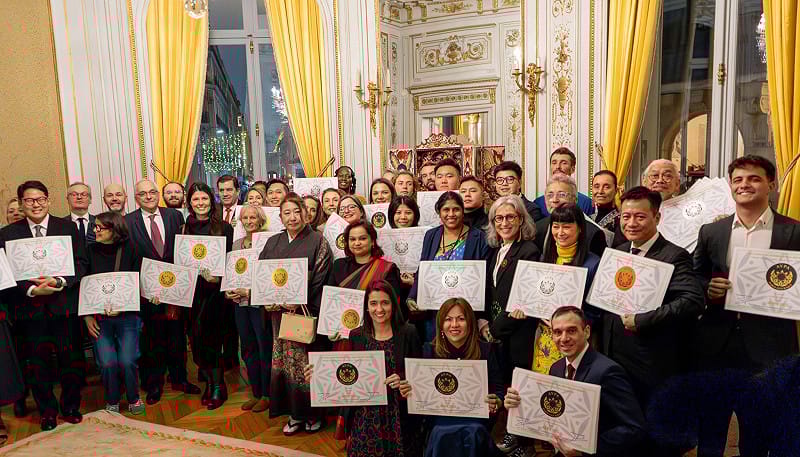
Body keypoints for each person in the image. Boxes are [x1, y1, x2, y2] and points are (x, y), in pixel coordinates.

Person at [692, 155, 800, 457]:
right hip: (716, 343)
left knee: (758, 430)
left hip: (770, 345)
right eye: (737, 180)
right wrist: (705, 289)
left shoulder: (794, 231)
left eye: (753, 178)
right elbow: (694, 277)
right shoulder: (711, 232)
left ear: (771, 184)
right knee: (711, 428)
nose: (744, 185)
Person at [605, 187, 704, 455]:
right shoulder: (619, 250)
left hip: (652, 360)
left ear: (657, 218)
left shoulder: (674, 255)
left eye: (640, 217)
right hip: (616, 357)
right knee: (625, 426)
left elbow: (692, 300)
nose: (631, 223)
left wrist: (643, 320)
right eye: (625, 217)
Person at [0, 180, 88, 431]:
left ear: (48, 200)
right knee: (37, 364)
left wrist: (60, 280)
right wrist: (30, 289)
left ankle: (71, 406)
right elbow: (4, 273)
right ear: (21, 203)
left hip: (63, 307)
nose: (35, 205)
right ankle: (47, 411)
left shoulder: (68, 228)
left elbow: (81, 263)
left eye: (40, 199)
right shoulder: (8, 234)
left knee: (70, 360)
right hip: (30, 311)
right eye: (29, 200)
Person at [505, 306, 646, 457]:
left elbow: (635, 427)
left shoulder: (608, 371)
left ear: (586, 332)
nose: (564, 338)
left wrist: (585, 449)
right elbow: (552, 412)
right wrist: (517, 406)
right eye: (557, 332)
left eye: (571, 330)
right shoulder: (556, 368)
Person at [304, 280, 423, 456]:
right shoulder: (357, 335)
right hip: (365, 414)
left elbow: (419, 375)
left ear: (394, 304)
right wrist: (318, 376)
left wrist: (403, 379)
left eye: (385, 302)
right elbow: (348, 374)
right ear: (366, 306)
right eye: (373, 303)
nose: (379, 309)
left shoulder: (409, 332)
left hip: (399, 413)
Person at [258, 193, 332, 435]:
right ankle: (294, 414)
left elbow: (322, 275)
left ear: (306, 213)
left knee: (307, 365)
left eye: (296, 211)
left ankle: (313, 413)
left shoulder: (318, 241)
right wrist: (267, 300)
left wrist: (300, 300)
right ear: (280, 217)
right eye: (286, 213)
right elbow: (263, 276)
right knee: (284, 365)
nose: (292, 217)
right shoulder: (273, 242)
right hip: (279, 316)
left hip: (303, 313)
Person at [125, 179, 198, 404]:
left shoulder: (174, 216)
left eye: (152, 192)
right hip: (147, 293)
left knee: (177, 336)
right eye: (143, 193)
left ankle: (179, 378)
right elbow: (129, 259)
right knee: (151, 340)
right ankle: (154, 384)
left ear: (159, 194)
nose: (148, 196)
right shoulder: (128, 221)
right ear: (136, 198)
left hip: (175, 290)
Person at [403, 298, 504, 457]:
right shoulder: (429, 351)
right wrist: (411, 391)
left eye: (461, 319)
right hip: (439, 419)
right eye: (448, 319)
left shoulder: (486, 350)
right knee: (440, 432)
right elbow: (421, 393)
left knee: (474, 431)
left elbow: (498, 391)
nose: (454, 324)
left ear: (470, 323)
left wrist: (496, 402)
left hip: (475, 419)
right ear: (441, 325)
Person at [83, 211, 145, 415]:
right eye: (95, 227)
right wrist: (87, 316)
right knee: (107, 362)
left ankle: (134, 397)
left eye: (100, 227)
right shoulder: (89, 251)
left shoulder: (132, 249)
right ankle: (112, 399)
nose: (95, 230)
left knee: (128, 360)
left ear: (114, 229)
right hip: (99, 318)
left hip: (128, 316)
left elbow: (139, 283)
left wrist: (124, 305)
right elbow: (83, 286)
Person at [407, 191, 489, 341]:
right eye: (446, 210)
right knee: (435, 355)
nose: (451, 214)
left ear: (463, 211)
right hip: (434, 312)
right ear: (439, 212)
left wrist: (482, 317)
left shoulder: (478, 237)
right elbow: (423, 270)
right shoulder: (431, 235)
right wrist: (412, 296)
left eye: (456, 209)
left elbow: (484, 279)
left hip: (464, 312)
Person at [183, 182, 234, 409]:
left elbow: (232, 262)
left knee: (212, 340)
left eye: (204, 199)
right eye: (195, 200)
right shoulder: (184, 228)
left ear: (210, 201)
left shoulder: (224, 227)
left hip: (214, 293)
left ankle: (217, 387)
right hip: (191, 293)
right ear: (190, 203)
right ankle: (210, 384)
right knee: (196, 340)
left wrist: (219, 279)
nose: (200, 204)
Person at [483, 195, 539, 385]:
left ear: (521, 219)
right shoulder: (496, 250)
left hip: (517, 338)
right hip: (497, 338)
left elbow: (521, 300)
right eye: (499, 218)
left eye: (510, 217)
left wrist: (494, 330)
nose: (504, 223)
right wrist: (484, 323)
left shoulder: (529, 251)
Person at [224, 205, 272, 413]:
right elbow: (230, 273)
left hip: (260, 305)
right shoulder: (236, 244)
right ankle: (255, 391)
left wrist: (250, 292)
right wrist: (227, 290)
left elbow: (271, 276)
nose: (249, 221)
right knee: (248, 349)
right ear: (240, 221)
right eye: (245, 218)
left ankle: (267, 394)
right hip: (240, 305)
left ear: (260, 220)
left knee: (264, 348)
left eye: (253, 217)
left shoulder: (269, 242)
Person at [328, 221, 403, 310]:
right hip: (343, 317)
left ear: (372, 241)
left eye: (362, 238)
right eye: (352, 239)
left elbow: (392, 303)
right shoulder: (339, 265)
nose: (357, 243)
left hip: (375, 319)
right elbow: (329, 298)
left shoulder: (387, 269)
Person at [534, 175, 608, 258]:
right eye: (550, 195)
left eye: (562, 195)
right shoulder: (537, 228)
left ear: (575, 199)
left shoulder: (593, 234)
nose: (555, 200)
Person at [533, 148, 594, 216]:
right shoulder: (538, 203)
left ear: (573, 169)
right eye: (554, 163)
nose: (558, 167)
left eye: (564, 163)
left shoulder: (586, 202)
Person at [591, 170, 626, 247]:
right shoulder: (590, 218)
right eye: (596, 186)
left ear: (616, 191)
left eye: (606, 187)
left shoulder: (621, 221)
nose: (600, 191)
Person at [64, 181, 96, 246]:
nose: (79, 197)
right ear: (67, 199)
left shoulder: (99, 222)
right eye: (74, 194)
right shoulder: (61, 224)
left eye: (83, 194)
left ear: (90, 199)